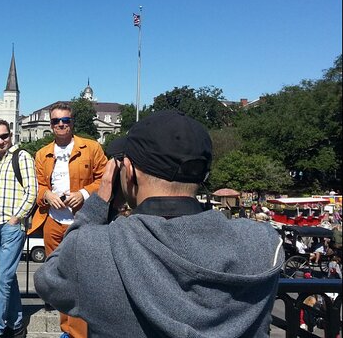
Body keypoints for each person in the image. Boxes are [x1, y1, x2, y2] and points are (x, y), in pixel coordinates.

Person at [34, 110, 284, 338]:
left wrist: (99, 202)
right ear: (204, 173)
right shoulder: (262, 244)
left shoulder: (94, 247)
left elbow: (48, 281)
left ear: (128, 171)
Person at [27, 102, 107, 338]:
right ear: (50, 124)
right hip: (53, 223)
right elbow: (38, 186)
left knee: (82, 278)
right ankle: (68, 330)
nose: (61, 125)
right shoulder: (42, 154)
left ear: (72, 123)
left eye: (66, 121)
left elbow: (106, 179)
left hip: (83, 222)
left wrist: (82, 194)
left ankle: (82, 332)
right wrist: (47, 195)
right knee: (61, 279)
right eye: (56, 121)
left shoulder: (91, 148)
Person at [0, 119, 38, 338]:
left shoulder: (21, 157)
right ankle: (17, 324)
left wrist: (16, 218)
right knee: (9, 278)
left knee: (2, 278)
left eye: (4, 136)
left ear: (11, 134)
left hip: (12, 226)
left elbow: (32, 191)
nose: (0, 141)